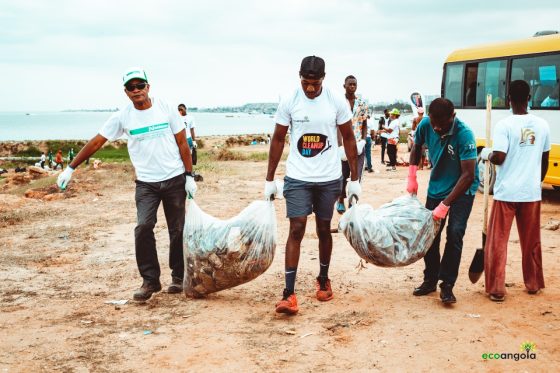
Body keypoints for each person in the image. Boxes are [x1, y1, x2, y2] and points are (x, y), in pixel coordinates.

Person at [56, 67, 197, 302]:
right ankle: (150, 281)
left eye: (140, 85)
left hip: (174, 179)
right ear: (126, 92)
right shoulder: (123, 116)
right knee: (143, 227)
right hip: (146, 184)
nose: (136, 90)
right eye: (131, 87)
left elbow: (183, 143)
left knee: (178, 230)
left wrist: (190, 175)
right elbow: (97, 141)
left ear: (148, 87)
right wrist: (70, 168)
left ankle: (178, 276)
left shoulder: (166, 108)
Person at [265, 56, 360, 315]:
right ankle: (288, 293)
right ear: (299, 78)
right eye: (305, 82)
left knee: (322, 229)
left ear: (323, 79)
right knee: (296, 228)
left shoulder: (336, 101)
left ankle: (323, 277)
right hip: (298, 177)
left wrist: (354, 179)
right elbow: (277, 138)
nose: (309, 88)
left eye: (314, 83)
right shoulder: (290, 100)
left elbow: (349, 138)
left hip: (329, 178)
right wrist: (270, 178)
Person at [480, 80, 550, 302]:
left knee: (497, 241)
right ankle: (533, 283)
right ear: (529, 98)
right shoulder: (543, 125)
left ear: (509, 99)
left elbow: (499, 157)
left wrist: (486, 154)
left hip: (506, 192)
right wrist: (535, 182)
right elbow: (545, 159)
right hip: (530, 193)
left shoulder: (505, 125)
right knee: (531, 241)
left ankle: (496, 289)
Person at [407, 98, 478, 305]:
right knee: (431, 235)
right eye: (434, 124)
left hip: (462, 190)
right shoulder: (426, 124)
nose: (437, 129)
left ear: (452, 117)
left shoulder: (464, 134)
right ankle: (430, 279)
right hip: (437, 187)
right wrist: (412, 175)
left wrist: (445, 205)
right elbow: (417, 146)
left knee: (455, 233)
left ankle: (447, 284)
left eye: (442, 125)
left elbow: (468, 175)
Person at [335, 75, 368, 214]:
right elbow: (336, 125)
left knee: (357, 175)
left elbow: (364, 123)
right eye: (350, 84)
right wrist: (339, 145)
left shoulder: (362, 103)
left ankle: (352, 202)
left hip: (358, 145)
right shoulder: (339, 102)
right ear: (344, 86)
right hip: (343, 146)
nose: (352, 87)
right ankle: (340, 198)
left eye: (354, 84)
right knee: (342, 175)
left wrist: (364, 140)